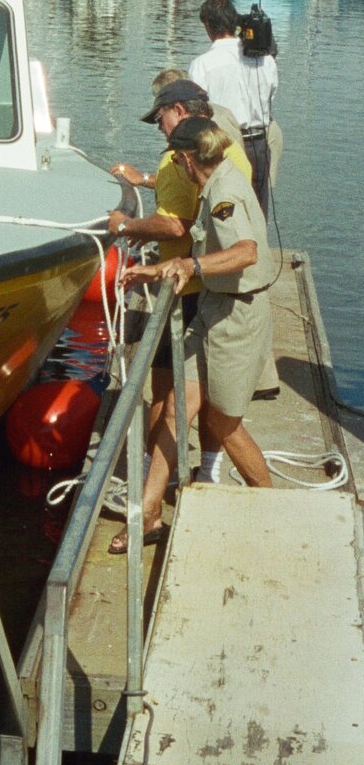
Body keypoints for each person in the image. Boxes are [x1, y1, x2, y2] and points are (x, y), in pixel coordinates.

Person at [108, 116, 275, 554]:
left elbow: (245, 251)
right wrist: (160, 267)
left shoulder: (223, 193)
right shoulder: (215, 182)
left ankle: (272, 505)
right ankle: (148, 515)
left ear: (184, 159)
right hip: (213, 309)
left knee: (222, 421)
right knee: (176, 411)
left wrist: (192, 266)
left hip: (237, 316)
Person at [108, 78, 252, 493]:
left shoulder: (177, 157)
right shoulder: (229, 149)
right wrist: (150, 181)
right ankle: (207, 469)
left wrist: (128, 225)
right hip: (218, 288)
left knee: (166, 386)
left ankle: (152, 475)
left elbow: (175, 222)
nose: (159, 126)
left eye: (161, 117)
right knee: (209, 393)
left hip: (186, 287)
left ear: (181, 112)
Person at [189, 0, 278, 213]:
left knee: (226, 211)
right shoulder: (265, 59)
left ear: (208, 25)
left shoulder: (202, 65)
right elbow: (271, 95)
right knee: (257, 211)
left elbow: (195, 114)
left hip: (224, 146)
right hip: (259, 142)